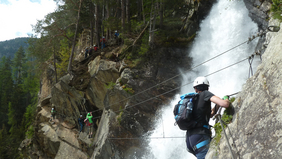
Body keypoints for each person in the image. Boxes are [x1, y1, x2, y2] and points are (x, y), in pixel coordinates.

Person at [185, 76, 230, 159]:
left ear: (195, 88)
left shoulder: (192, 101)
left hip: (190, 140)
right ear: (206, 87)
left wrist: (217, 106)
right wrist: (226, 99)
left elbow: (210, 114)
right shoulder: (205, 94)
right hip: (200, 137)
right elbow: (225, 104)